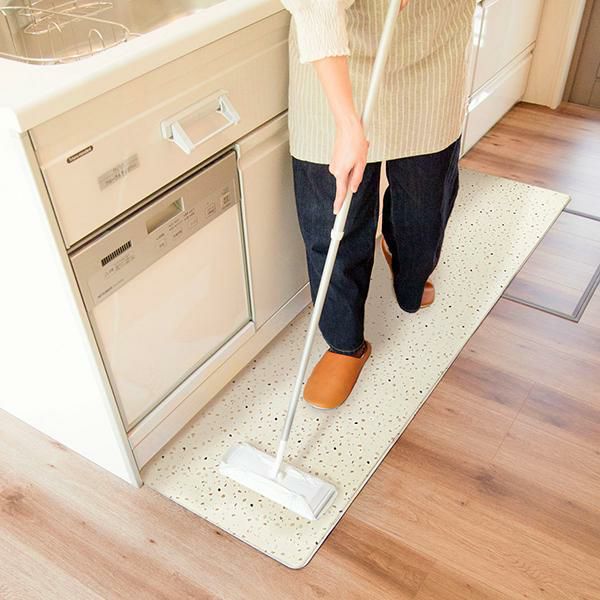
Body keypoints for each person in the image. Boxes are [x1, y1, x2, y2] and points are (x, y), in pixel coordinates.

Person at [280, 0, 477, 409]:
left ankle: (406, 262)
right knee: (334, 217)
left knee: (425, 206)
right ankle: (344, 343)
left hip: (432, 48)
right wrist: (347, 124)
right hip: (335, 63)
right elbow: (316, 10)